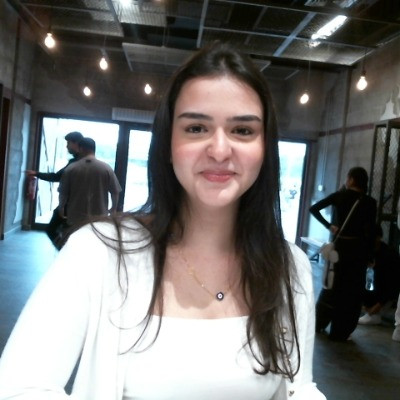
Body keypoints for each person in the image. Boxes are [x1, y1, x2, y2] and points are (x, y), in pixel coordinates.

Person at [0, 42, 325, 399]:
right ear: (168, 144)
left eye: (243, 131)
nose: (220, 150)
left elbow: (299, 388)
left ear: (265, 149)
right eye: (196, 128)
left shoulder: (289, 267)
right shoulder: (98, 252)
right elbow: (19, 386)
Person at [310, 167, 377, 341]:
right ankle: (340, 331)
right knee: (351, 292)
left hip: (339, 249)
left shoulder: (339, 196)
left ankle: (319, 322)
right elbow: (370, 232)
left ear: (352, 179)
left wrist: (329, 226)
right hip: (357, 251)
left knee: (331, 286)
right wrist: (370, 256)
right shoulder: (369, 202)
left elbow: (314, 208)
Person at [26, 131, 83, 248]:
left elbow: (57, 177)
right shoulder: (78, 162)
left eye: (68, 143)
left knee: (52, 229)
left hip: (70, 204)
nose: (67, 146)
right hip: (75, 203)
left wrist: (36, 173)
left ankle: (64, 251)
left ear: (76, 143)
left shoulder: (75, 163)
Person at [58, 137, 122, 228]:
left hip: (75, 216)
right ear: (94, 149)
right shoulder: (106, 168)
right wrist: (113, 208)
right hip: (99, 216)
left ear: (81, 149)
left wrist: (61, 207)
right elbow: (115, 191)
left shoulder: (71, 168)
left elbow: (63, 192)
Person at [358, 224, 400, 325]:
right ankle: (370, 310)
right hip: (371, 290)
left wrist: (378, 305)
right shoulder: (366, 251)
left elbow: (393, 285)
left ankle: (375, 313)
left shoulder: (389, 255)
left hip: (385, 295)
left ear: (378, 238)